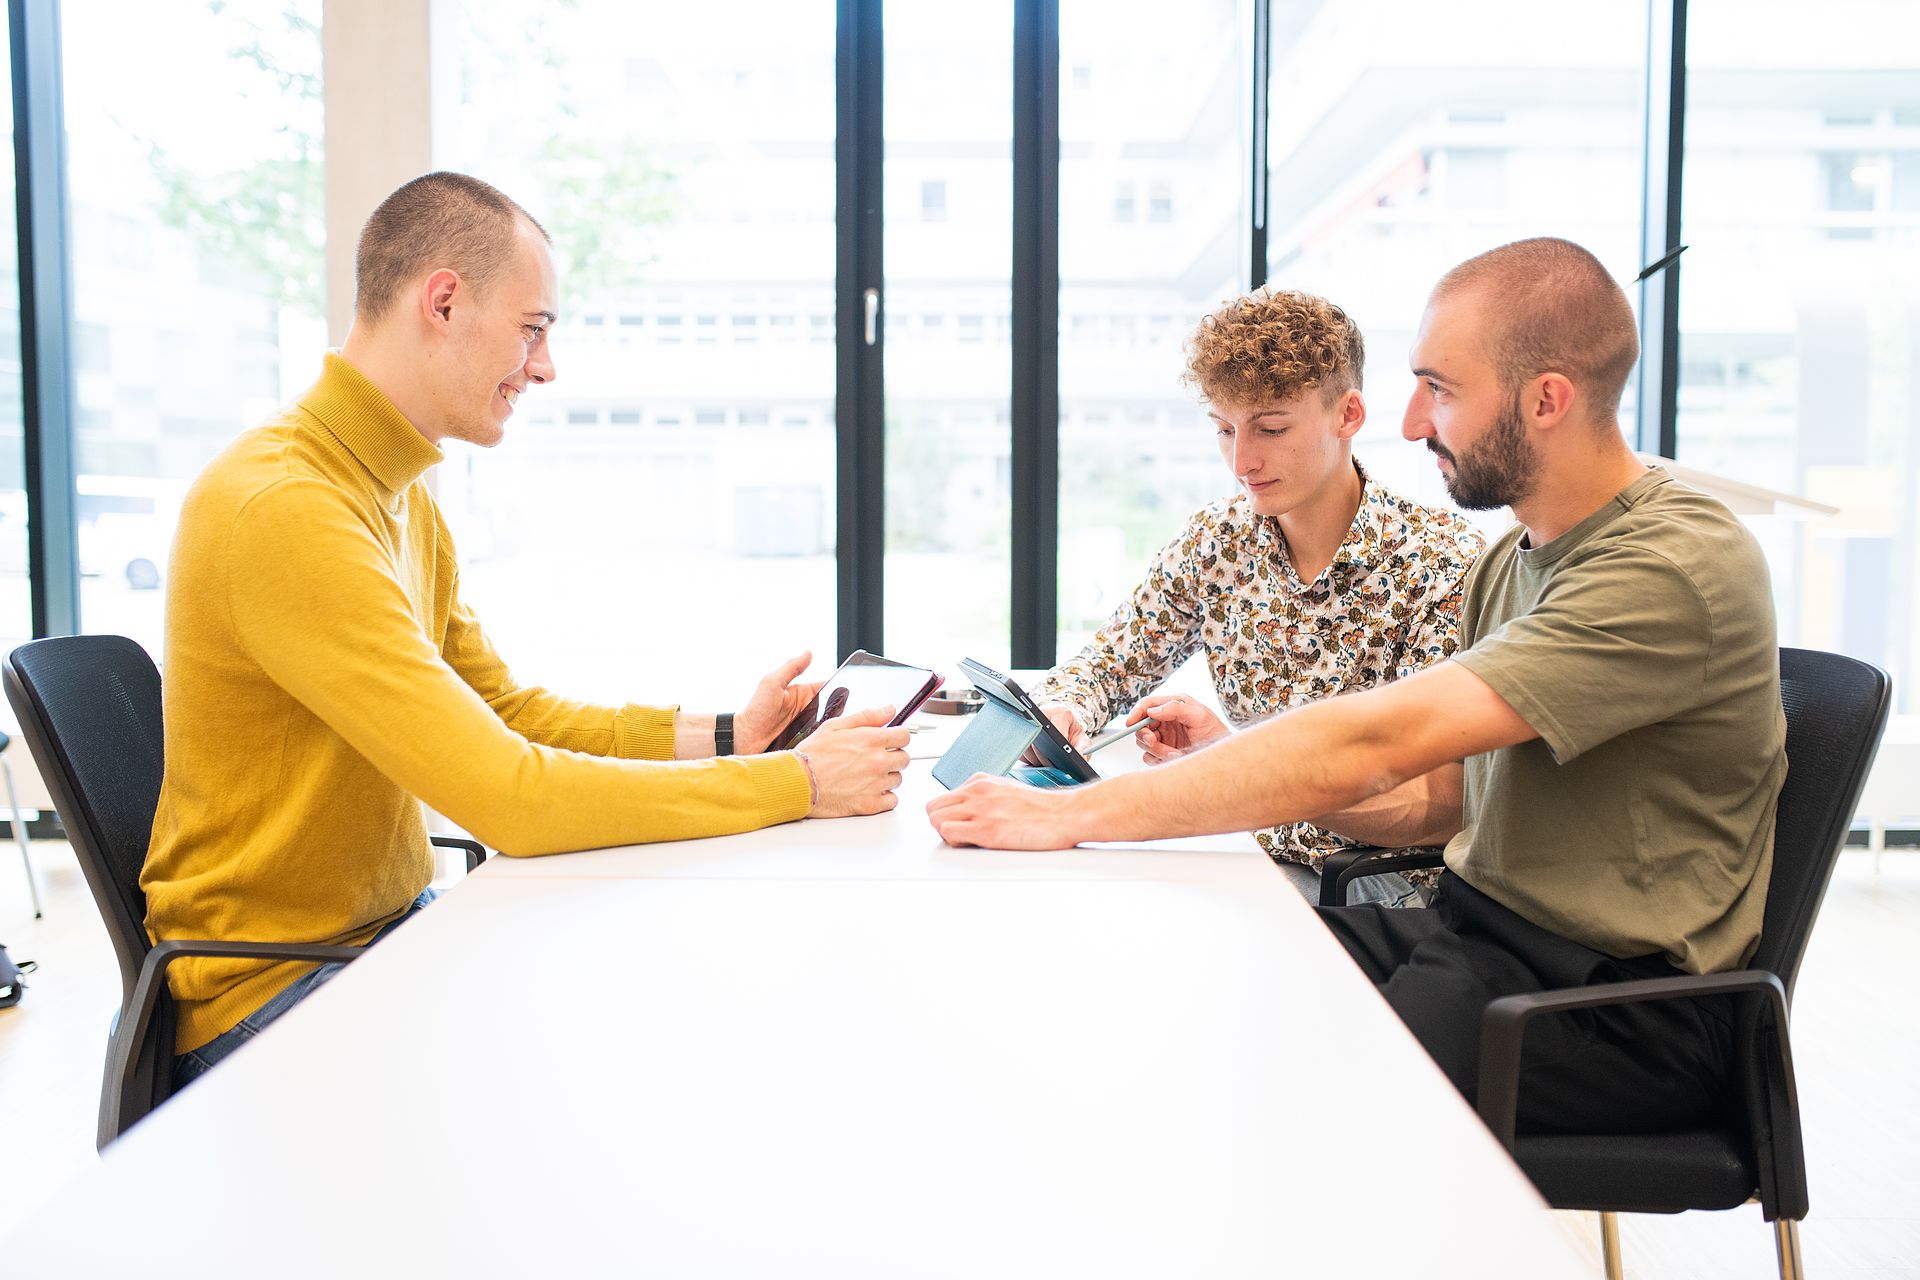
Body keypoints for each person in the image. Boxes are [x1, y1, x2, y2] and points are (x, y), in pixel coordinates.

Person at [930, 237, 1785, 1133]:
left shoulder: (1667, 564)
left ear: (1547, 398)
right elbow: (1438, 804)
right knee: (1170, 977)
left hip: (1613, 1005)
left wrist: (1068, 816)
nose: (1413, 423)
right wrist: (1228, 761)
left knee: (1243, 1084)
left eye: (1442, 389)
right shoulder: (1518, 561)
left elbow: (1371, 746)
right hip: (1484, 935)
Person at [146, 172, 909, 1084]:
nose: (544, 366)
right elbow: (509, 796)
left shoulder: (391, 497)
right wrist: (793, 783)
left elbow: (500, 709)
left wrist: (725, 740)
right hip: (271, 999)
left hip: (377, 941)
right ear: (443, 300)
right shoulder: (286, 510)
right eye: (533, 328)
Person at [1028, 289, 1482, 906]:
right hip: (1256, 859)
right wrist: (1065, 711)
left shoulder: (1440, 562)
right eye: (1224, 429)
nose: (1242, 461)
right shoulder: (1221, 539)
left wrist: (1236, 759)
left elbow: (1439, 799)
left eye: (1270, 428)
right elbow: (1110, 662)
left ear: (1348, 415)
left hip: (1388, 890)